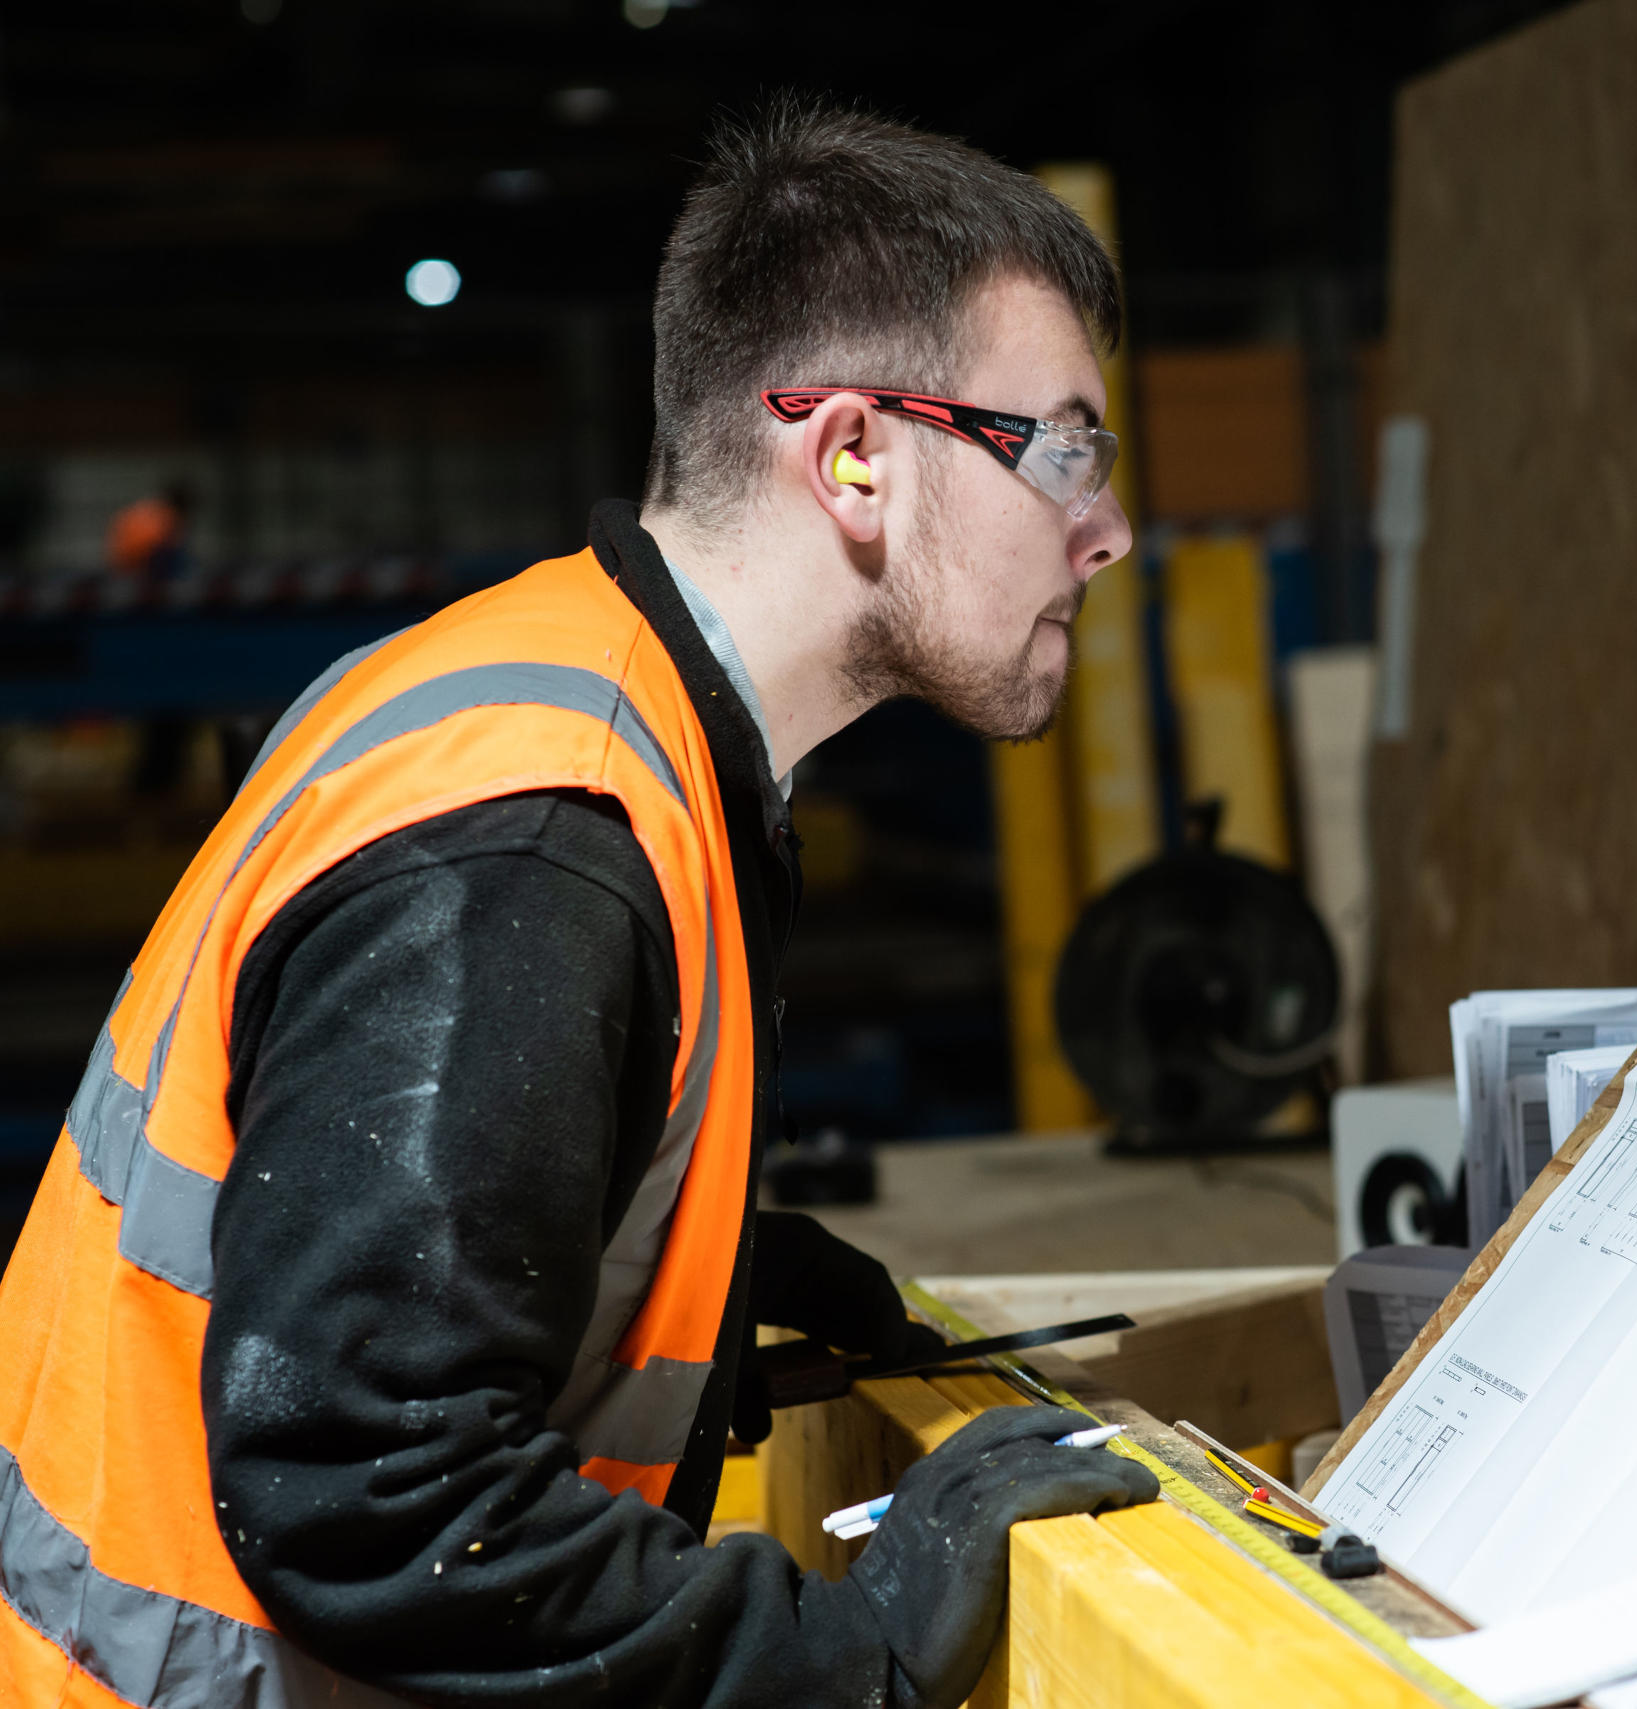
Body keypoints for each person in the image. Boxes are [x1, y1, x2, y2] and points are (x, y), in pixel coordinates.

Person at [0, 99, 1158, 1708]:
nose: (1105, 531)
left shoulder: (583, 700)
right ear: (851, 458)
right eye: (1067, 447)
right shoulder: (542, 835)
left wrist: (638, 1250)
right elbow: (365, 1489)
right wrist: (853, 1652)